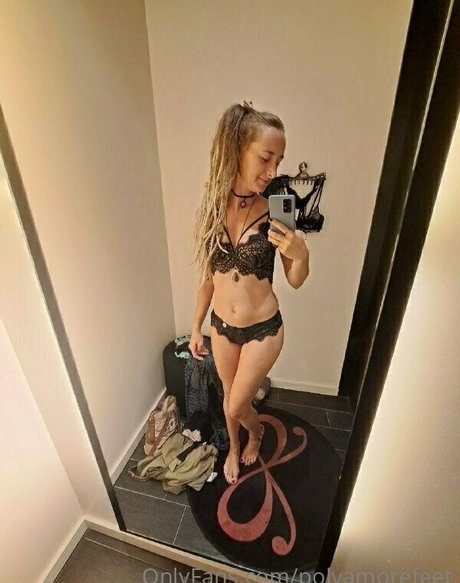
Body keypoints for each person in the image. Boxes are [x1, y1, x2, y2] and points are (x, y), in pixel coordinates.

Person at [189, 101, 310, 485]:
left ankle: (255, 433)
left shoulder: (277, 210)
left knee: (238, 403)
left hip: (263, 329)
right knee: (229, 397)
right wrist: (195, 327)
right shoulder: (212, 208)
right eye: (265, 158)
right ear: (239, 150)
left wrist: (301, 254)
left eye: (279, 160)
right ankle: (234, 448)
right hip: (222, 326)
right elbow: (208, 277)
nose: (273, 171)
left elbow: (295, 279)